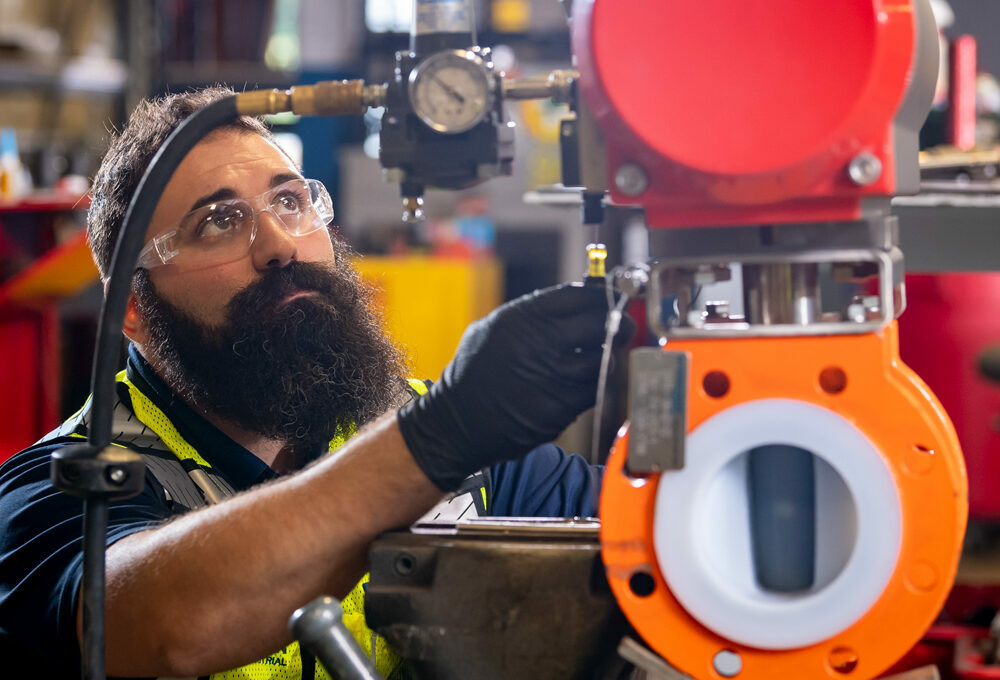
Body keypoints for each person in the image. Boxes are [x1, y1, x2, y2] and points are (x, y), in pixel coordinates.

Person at [0, 87, 629, 679]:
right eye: (218, 221)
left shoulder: (456, 450)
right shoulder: (54, 490)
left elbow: (663, 540)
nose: (280, 245)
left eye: (289, 201)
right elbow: (156, 623)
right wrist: (433, 442)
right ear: (133, 309)